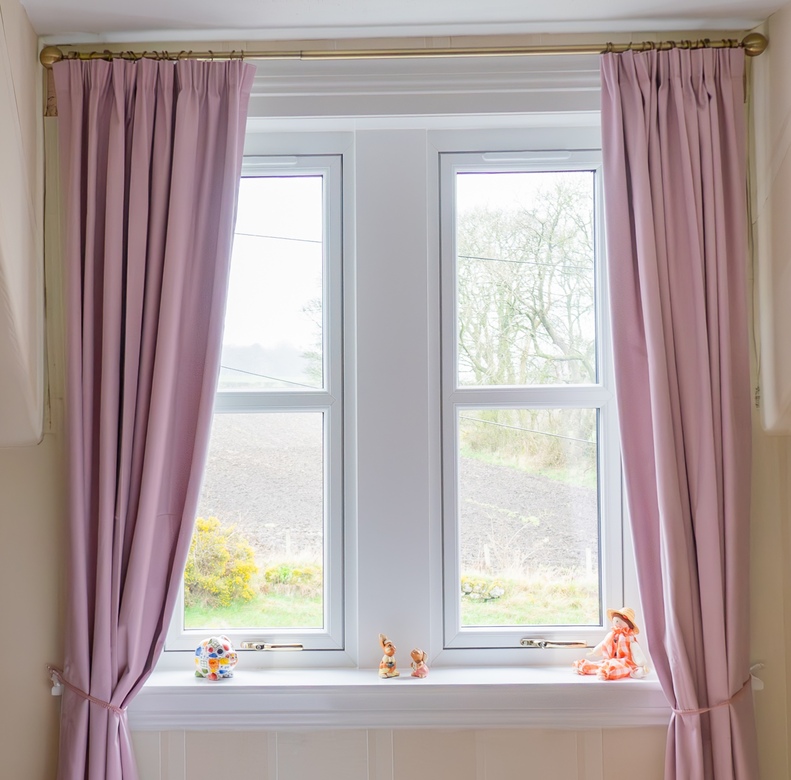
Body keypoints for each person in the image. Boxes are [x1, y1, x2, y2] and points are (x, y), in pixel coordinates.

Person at [573, 607, 649, 680]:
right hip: (610, 660)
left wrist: (641, 662)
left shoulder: (629, 638)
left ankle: (606, 673)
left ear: (627, 623)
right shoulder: (611, 635)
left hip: (625, 661)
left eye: (617, 621)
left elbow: (636, 650)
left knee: (618, 668)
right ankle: (583, 667)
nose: (616, 623)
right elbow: (604, 643)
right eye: (615, 621)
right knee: (600, 664)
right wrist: (595, 651)